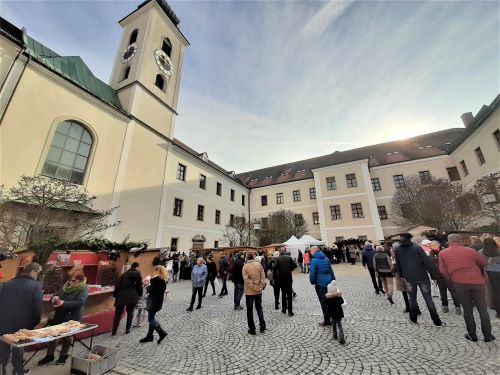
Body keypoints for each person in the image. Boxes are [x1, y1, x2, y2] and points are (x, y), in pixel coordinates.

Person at [439, 234, 494, 342]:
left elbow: (443, 271)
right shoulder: (471, 251)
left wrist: (452, 278)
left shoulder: (443, 253)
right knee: (483, 310)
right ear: (460, 240)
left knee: (467, 310)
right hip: (477, 282)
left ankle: (472, 335)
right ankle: (488, 336)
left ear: (449, 241)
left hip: (460, 283)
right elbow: (483, 263)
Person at [38, 266, 89, 366]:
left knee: (68, 337)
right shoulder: (66, 285)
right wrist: (55, 297)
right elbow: (59, 294)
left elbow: (80, 302)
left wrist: (64, 303)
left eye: (74, 280)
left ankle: (63, 356)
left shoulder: (83, 288)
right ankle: (49, 355)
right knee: (54, 335)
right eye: (70, 279)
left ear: (80, 280)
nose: (71, 282)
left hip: (72, 317)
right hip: (59, 315)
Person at [0, 262, 42, 375]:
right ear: (33, 272)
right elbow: (37, 307)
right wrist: (35, 322)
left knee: (3, 347)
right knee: (19, 349)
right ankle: (18, 371)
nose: (37, 276)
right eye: (38, 273)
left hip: (4, 322)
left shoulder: (7, 283)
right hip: (23, 324)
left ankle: (2, 369)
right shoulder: (35, 286)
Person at [394, 233, 443, 326]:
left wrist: (401, 276)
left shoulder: (398, 250)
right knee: (428, 299)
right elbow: (426, 262)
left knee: (412, 298)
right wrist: (432, 275)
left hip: (408, 277)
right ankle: (436, 320)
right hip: (422, 276)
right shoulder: (417, 248)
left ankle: (413, 318)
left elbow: (398, 264)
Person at [428, 241, 461, 314]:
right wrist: (433, 277)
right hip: (439, 276)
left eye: (434, 245)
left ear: (438, 245)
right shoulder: (431, 254)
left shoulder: (444, 251)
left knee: (453, 291)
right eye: (432, 245)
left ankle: (457, 306)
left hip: (448, 275)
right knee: (442, 291)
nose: (433, 246)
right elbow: (431, 267)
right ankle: (445, 306)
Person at [112, 262, 143, 335]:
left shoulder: (123, 275)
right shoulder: (138, 275)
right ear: (137, 267)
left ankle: (114, 331)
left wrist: (115, 295)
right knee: (130, 312)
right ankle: (127, 330)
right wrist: (139, 294)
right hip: (132, 296)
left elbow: (117, 285)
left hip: (121, 295)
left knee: (118, 314)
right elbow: (139, 286)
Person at [139, 265, 168, 343]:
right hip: (158, 302)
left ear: (157, 271)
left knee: (151, 320)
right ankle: (149, 336)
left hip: (153, 302)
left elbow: (151, 290)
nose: (153, 272)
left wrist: (147, 286)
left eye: (154, 270)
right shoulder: (163, 279)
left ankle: (162, 333)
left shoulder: (155, 280)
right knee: (152, 318)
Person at [309, 246, 335, 326]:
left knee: (324, 303)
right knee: (330, 301)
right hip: (329, 282)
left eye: (311, 251)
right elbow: (331, 270)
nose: (310, 252)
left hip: (320, 284)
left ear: (314, 251)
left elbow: (312, 273)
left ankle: (327, 321)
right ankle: (332, 317)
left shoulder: (314, 260)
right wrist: (333, 280)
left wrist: (312, 282)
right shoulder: (326, 258)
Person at [242, 251, 266, 335]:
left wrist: (255, 287)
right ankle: (262, 324)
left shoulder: (245, 266)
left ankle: (252, 329)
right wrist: (260, 286)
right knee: (259, 307)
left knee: (250, 310)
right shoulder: (259, 264)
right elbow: (263, 276)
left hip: (250, 291)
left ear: (247, 257)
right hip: (258, 290)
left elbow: (246, 280)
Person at [481, 238, 500, 319]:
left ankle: (499, 312)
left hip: (491, 273)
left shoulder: (482, 252)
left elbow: (481, 263)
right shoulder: (498, 250)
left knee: (496, 292)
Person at [276, 247, 297, 316]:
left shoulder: (278, 258)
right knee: (289, 294)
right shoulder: (288, 257)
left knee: (283, 293)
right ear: (284, 251)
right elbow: (295, 265)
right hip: (288, 277)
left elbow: (274, 267)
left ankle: (284, 309)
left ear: (279, 252)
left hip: (281, 278)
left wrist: (279, 271)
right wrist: (289, 270)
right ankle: (290, 311)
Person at [325, 280, 345, 344]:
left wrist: (328, 295)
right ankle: (342, 337)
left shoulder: (329, 299)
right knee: (340, 325)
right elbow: (342, 302)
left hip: (333, 314)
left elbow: (325, 302)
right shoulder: (338, 297)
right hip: (339, 313)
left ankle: (335, 335)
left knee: (334, 325)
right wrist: (338, 295)